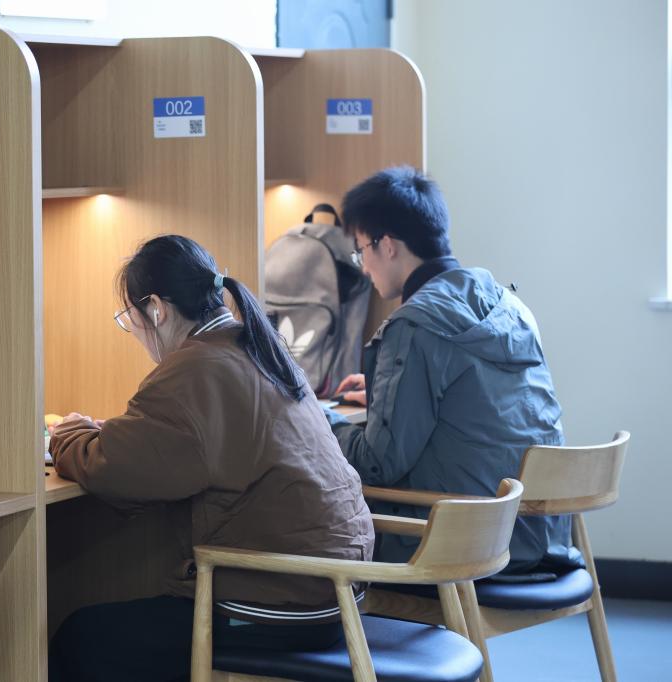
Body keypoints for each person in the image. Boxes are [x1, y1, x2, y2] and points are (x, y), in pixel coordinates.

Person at [48, 235, 374, 682]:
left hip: (276, 602)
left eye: (130, 319)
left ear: (156, 309)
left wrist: (70, 432)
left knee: (80, 637)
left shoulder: (197, 367)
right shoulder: (254, 346)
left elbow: (112, 468)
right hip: (333, 593)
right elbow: (184, 441)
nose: (135, 333)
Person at [326, 166, 581, 575]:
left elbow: (377, 464)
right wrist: (386, 388)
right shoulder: (507, 304)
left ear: (386, 245)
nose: (364, 267)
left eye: (361, 252)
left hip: (459, 546)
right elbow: (470, 401)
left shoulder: (415, 325)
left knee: (301, 516)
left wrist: (319, 417)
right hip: (539, 534)